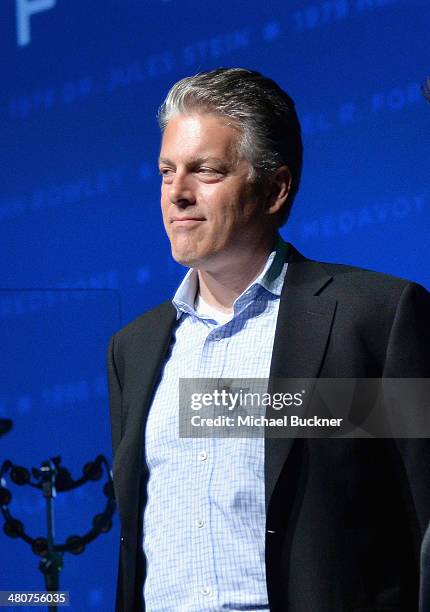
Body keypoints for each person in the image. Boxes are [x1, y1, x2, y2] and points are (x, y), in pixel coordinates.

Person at [107, 68, 430, 612]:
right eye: (167, 172)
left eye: (204, 170)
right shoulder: (132, 350)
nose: (177, 194)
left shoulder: (373, 318)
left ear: (275, 188)